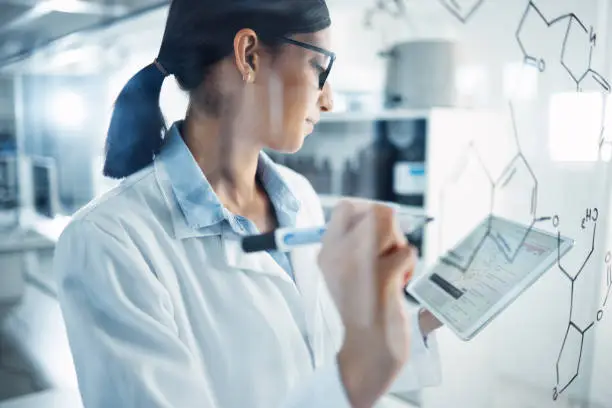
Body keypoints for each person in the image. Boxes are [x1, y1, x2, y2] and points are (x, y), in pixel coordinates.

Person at [53, 0, 443, 407]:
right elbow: (344, 377)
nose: (328, 100)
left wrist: (410, 325)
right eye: (319, 68)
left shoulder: (297, 197)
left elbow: (315, 357)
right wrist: (355, 376)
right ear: (249, 55)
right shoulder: (109, 242)